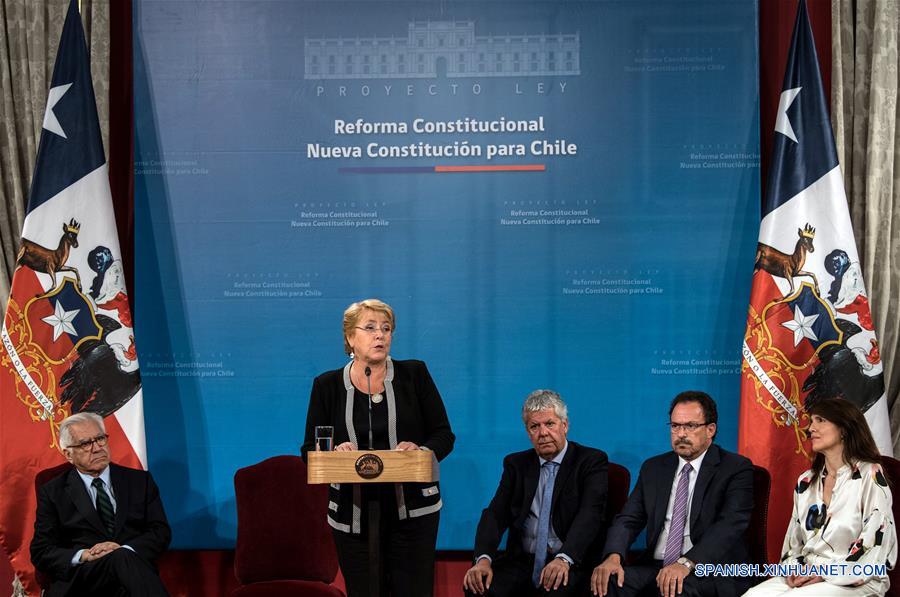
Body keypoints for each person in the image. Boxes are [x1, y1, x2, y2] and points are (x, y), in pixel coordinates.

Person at [301, 298, 455, 597]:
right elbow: (309, 449)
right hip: (353, 516)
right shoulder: (327, 385)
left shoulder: (415, 374)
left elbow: (443, 435)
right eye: (370, 328)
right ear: (350, 338)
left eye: (386, 328)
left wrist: (421, 451)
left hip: (413, 513)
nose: (380, 335)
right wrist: (334, 455)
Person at [591, 391, 754, 597]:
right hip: (656, 566)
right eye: (675, 426)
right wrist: (613, 556)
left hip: (707, 570)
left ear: (710, 429)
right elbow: (628, 519)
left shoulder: (735, 468)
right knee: (607, 581)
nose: (681, 434)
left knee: (675, 590)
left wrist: (687, 563)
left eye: (690, 426)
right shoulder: (654, 468)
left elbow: (729, 525)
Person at [743, 398, 897, 596]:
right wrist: (794, 571)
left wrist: (826, 574)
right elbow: (793, 544)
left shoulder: (871, 474)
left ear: (844, 429)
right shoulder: (806, 482)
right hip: (808, 574)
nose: (810, 428)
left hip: (856, 579)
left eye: (820, 420)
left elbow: (876, 542)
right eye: (811, 421)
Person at [463, 389, 609, 597]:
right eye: (535, 426)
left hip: (570, 561)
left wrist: (564, 558)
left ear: (565, 425)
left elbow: (590, 515)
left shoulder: (590, 461)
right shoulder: (516, 464)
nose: (543, 433)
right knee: (477, 586)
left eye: (550, 423)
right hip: (523, 561)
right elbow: (495, 513)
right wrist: (483, 559)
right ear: (528, 432)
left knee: (555, 591)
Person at [30, 412, 171, 597]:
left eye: (100, 439)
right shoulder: (53, 491)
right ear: (68, 454)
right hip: (83, 578)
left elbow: (160, 532)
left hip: (131, 574)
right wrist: (85, 555)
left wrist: (124, 550)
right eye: (85, 444)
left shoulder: (139, 481)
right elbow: (41, 551)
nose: (97, 448)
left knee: (122, 560)